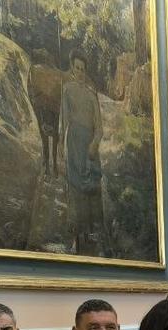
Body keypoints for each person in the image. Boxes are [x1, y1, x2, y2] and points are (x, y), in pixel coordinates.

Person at [60, 53, 105, 256]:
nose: (79, 72)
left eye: (82, 70)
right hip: (74, 143)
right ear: (72, 69)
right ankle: (75, 233)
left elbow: (100, 127)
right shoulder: (67, 90)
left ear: (86, 73)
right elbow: (64, 121)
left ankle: (92, 232)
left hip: (89, 146)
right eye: (76, 68)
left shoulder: (91, 95)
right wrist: (64, 146)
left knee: (92, 188)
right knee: (75, 185)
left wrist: (93, 145)